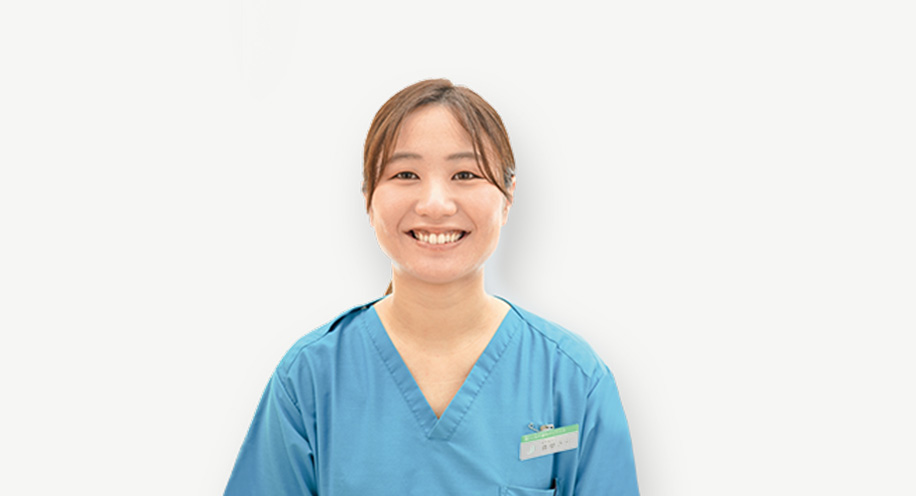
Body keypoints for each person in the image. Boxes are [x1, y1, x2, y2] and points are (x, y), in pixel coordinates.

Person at [224, 79, 640, 495]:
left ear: (508, 197)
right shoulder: (310, 379)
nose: (435, 204)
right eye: (405, 174)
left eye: (465, 174)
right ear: (368, 196)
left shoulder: (571, 380)